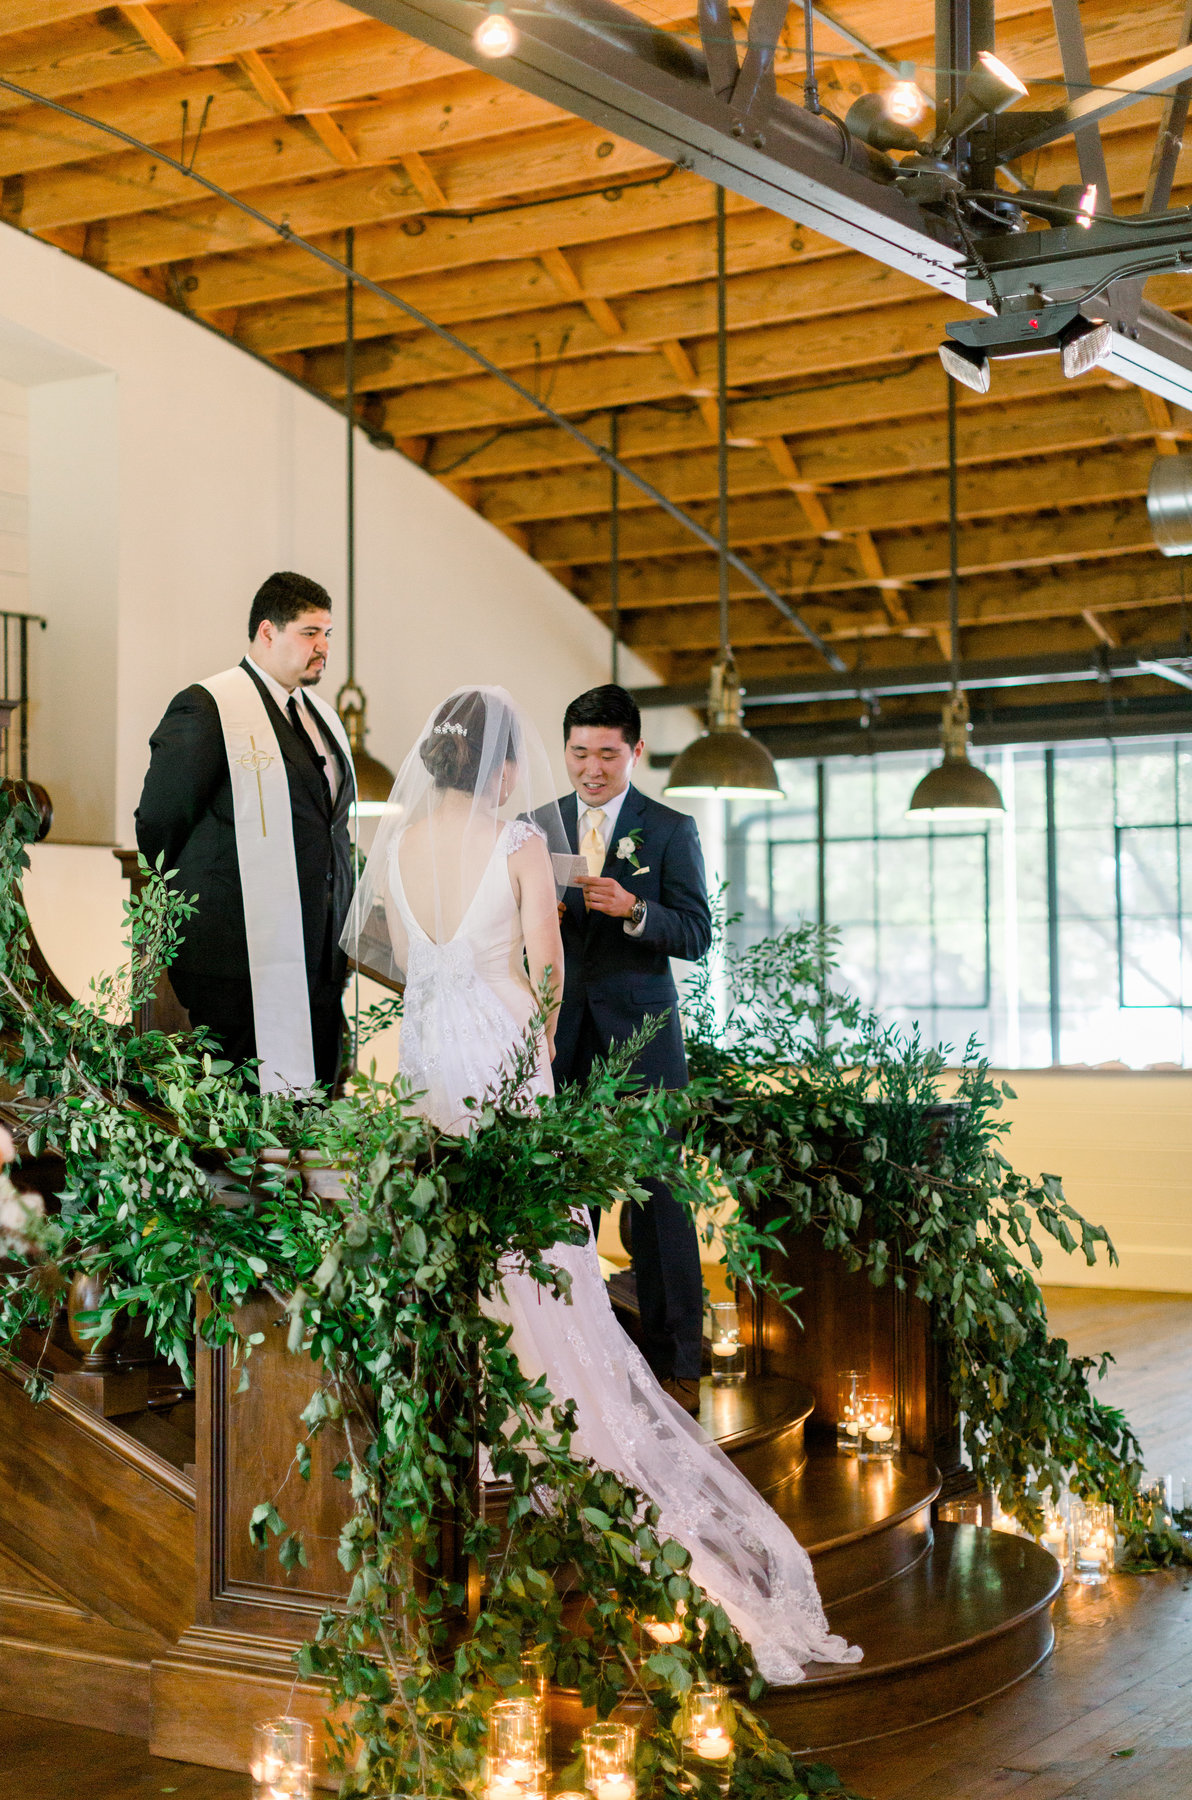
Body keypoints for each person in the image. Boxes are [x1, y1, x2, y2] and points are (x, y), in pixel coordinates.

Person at [340, 684, 861, 1687]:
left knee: (452, 1232)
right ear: (500, 767)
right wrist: (531, 1055)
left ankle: (462, 1413)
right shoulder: (519, 843)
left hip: (428, 1059)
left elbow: (401, 962)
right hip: (503, 1051)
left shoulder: (395, 849)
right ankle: (545, 1417)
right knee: (531, 1247)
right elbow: (545, 974)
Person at [549, 684, 710, 1416]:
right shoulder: (535, 825)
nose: (591, 768)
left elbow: (697, 934)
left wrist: (636, 911)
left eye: (607, 754)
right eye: (579, 752)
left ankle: (679, 1361)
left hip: (643, 1043)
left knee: (659, 1202)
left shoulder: (670, 829)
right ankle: (576, 1352)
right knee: (561, 1202)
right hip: (558, 1042)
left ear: (635, 752)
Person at [135, 571, 355, 1093]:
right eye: (309, 633)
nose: (323, 647)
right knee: (244, 1116)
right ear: (266, 632)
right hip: (237, 956)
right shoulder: (209, 706)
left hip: (319, 955)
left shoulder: (320, 716)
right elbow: (159, 821)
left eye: (327, 633)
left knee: (315, 1107)